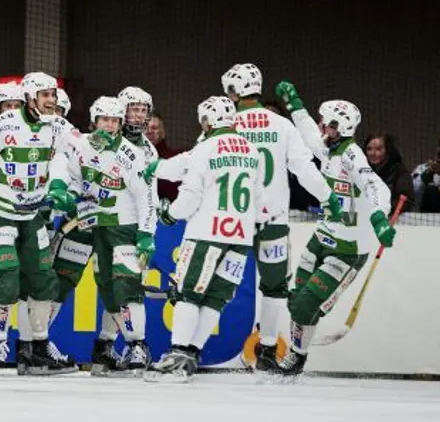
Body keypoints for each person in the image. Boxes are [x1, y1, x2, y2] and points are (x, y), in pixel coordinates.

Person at [145, 64, 341, 372]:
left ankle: (183, 351)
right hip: (272, 218)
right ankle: (266, 349)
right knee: (275, 287)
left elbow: (190, 164)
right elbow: (305, 170)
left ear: (232, 92)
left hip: (229, 224)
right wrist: (329, 198)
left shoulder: (223, 122)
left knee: (197, 291)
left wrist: (153, 167)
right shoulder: (282, 125)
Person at [275, 81, 396, 376]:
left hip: (348, 250)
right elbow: (306, 131)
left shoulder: (353, 157)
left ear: (337, 127)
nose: (319, 126)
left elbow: (376, 187)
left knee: (303, 306)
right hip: (322, 237)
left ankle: (297, 355)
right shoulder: (329, 148)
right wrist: (294, 103)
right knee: (297, 301)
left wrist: (380, 218)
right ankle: (299, 349)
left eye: (324, 123)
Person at [0, 71, 81, 375]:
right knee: (6, 278)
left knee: (43, 279)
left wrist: (60, 185)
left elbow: (67, 157)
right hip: (1, 211)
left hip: (33, 216)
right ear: (30, 98)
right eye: (45, 96)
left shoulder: (57, 125)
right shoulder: (3, 124)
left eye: (53, 96)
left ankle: (37, 349)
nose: (51, 101)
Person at [145, 96, 267, 382]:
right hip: (240, 236)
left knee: (188, 293)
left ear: (207, 120)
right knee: (215, 299)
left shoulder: (205, 148)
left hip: (206, 234)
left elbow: (189, 197)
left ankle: (177, 355)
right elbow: (259, 199)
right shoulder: (252, 150)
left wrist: (170, 214)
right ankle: (193, 355)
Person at [50, 96, 157, 376]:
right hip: (86, 225)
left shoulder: (132, 154)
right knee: (80, 284)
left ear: (121, 123)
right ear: (93, 121)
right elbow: (73, 176)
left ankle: (136, 346)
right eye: (104, 120)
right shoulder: (81, 145)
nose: (109, 126)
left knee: (125, 287)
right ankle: (47, 345)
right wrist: (66, 193)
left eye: (114, 120)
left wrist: (146, 234)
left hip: (123, 228)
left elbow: (146, 197)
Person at [363, 131, 414, 213]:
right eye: (369, 149)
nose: (373, 153)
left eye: (379, 149)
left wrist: (381, 208)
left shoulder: (400, 172)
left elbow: (406, 201)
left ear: (388, 150)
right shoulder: (359, 170)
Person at [145, 112, 182, 201]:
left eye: (154, 128)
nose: (149, 131)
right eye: (145, 128)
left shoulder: (175, 159)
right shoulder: (132, 159)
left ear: (162, 132)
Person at [411, 139, 440, 212]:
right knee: (431, 190)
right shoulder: (423, 168)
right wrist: (429, 173)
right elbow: (412, 192)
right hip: (425, 218)